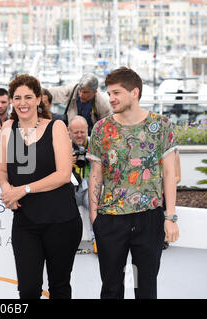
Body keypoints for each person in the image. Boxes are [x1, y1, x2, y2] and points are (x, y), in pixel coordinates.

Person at [87, 67, 179, 299]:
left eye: (116, 92)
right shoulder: (101, 129)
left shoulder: (162, 126)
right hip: (110, 219)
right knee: (111, 288)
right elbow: (96, 174)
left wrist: (170, 217)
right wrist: (94, 216)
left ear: (134, 92)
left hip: (149, 217)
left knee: (145, 289)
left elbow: (170, 174)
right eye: (109, 93)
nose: (111, 98)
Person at [0, 74, 82, 299]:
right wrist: (6, 188)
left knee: (59, 287)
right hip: (26, 222)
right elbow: (2, 171)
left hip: (61, 221)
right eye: (17, 98)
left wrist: (22, 190)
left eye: (28, 97)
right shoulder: (8, 128)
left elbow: (63, 174)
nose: (22, 102)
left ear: (38, 99)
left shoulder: (56, 126)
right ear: (12, 101)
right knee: (28, 290)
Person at [68, 115, 96, 253]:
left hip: (89, 186)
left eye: (82, 132)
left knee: (95, 205)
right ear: (69, 131)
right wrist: (67, 163)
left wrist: (94, 160)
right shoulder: (63, 146)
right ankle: (69, 243)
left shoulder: (95, 145)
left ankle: (97, 242)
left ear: (87, 130)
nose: (79, 135)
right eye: (75, 132)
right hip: (70, 188)